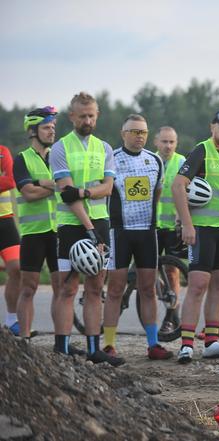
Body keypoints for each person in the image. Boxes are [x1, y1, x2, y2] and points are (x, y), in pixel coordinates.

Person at [49, 92, 123, 366]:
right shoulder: (60, 148)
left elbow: (107, 187)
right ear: (72, 117)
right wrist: (88, 226)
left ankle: (94, 348)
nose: (88, 120)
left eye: (92, 115)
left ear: (97, 115)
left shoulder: (104, 148)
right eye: (82, 116)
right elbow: (67, 194)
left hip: (100, 223)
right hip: (72, 225)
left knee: (95, 288)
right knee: (66, 288)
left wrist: (83, 192)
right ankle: (62, 347)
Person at [172, 109, 219, 363]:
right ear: (212, 127)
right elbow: (178, 185)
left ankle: (212, 341)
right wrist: (187, 224)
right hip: (203, 229)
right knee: (197, 286)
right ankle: (186, 344)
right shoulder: (201, 151)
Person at [101, 114, 173, 360]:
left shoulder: (154, 160)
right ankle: (109, 344)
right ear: (123, 134)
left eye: (143, 131)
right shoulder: (112, 159)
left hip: (147, 231)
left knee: (148, 289)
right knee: (115, 289)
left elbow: (158, 191)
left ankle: (153, 345)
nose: (139, 136)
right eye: (134, 131)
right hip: (119, 231)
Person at [14, 107, 60, 340]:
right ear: (33, 131)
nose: (52, 131)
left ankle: (60, 341)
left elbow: (66, 185)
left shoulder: (58, 156)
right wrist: (52, 184)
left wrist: (42, 182)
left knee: (60, 289)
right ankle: (24, 338)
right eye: (46, 127)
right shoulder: (22, 159)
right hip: (33, 234)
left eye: (53, 127)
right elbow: (29, 193)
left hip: (58, 231)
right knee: (28, 288)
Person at [154, 126, 186, 339]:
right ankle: (168, 301)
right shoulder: (149, 160)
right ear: (156, 142)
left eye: (171, 142)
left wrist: (181, 217)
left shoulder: (182, 162)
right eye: (164, 142)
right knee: (148, 270)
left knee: (172, 271)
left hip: (172, 226)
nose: (168, 146)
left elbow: (187, 191)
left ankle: (170, 315)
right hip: (151, 225)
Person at [0, 141, 21, 336]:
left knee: (16, 269)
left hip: (5, 222)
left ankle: (12, 320)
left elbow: (10, 181)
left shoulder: (2, 152)